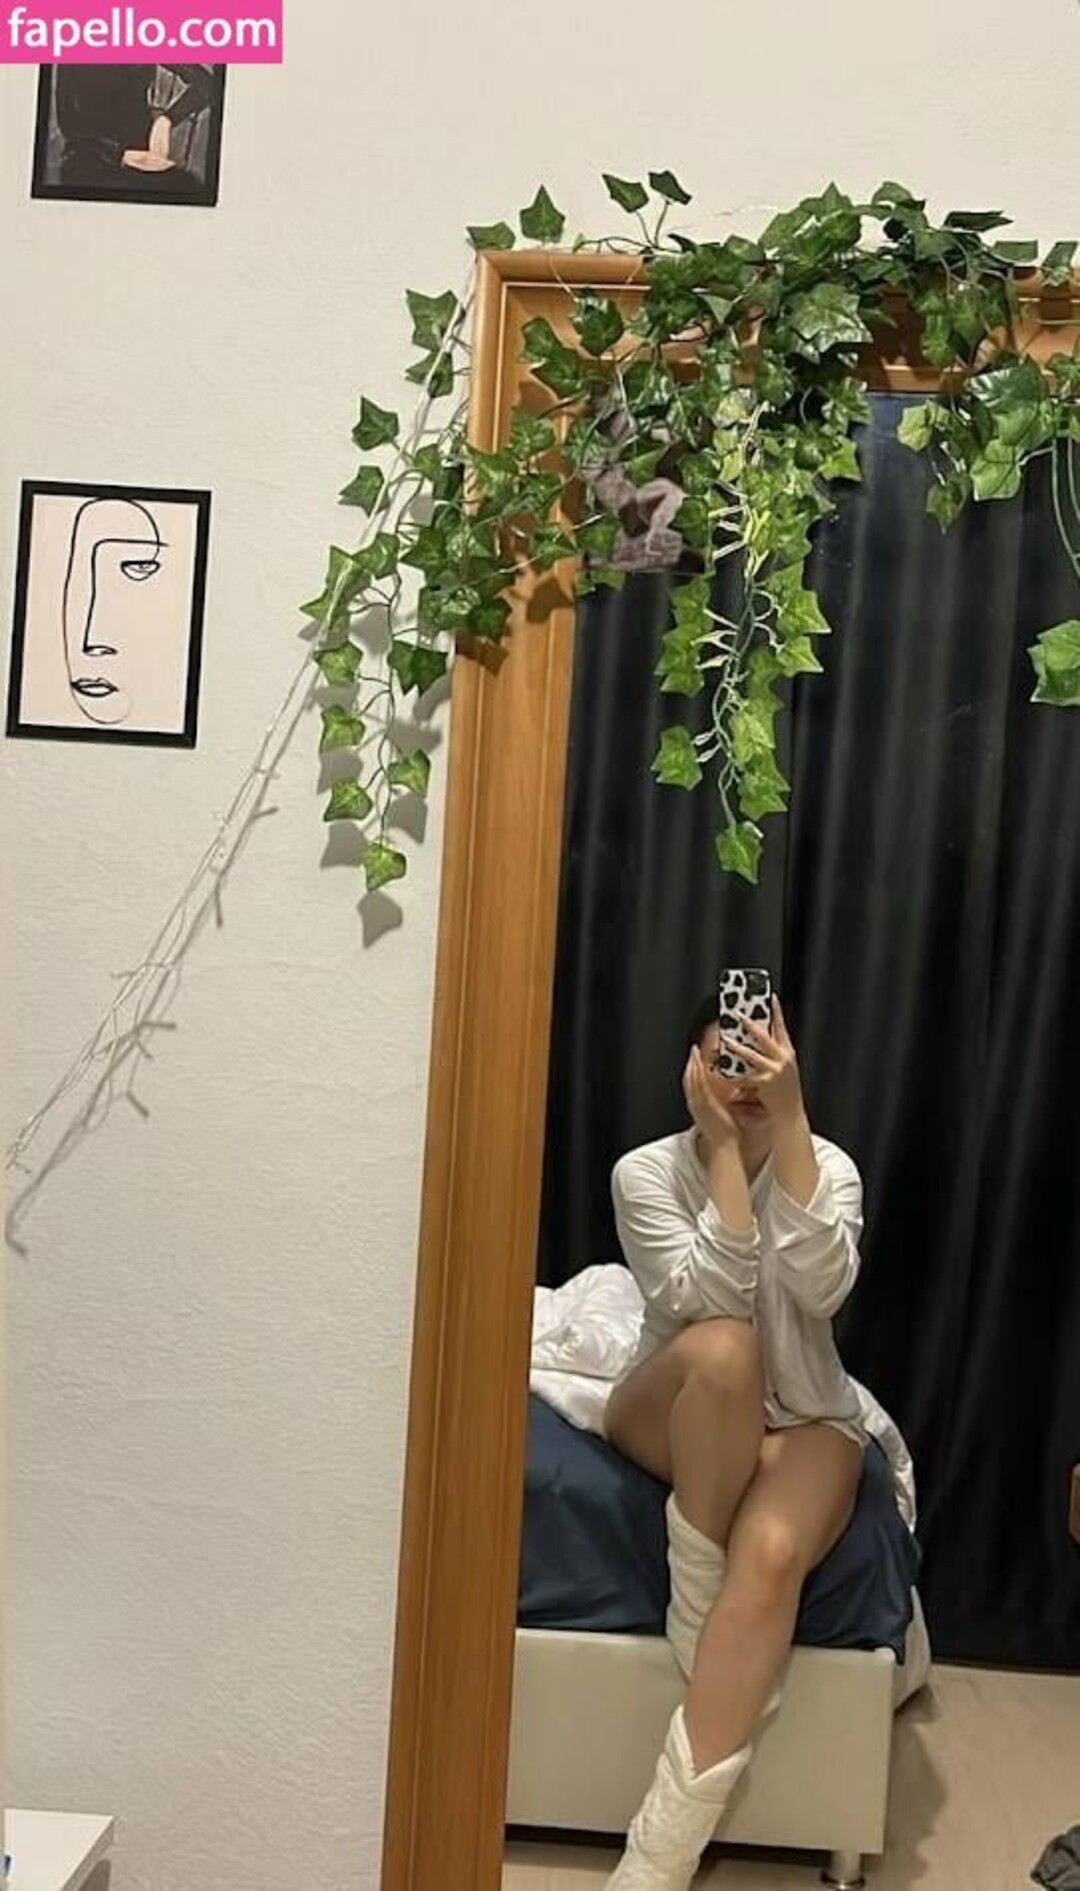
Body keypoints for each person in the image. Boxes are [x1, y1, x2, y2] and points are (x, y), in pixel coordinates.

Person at [601, 993, 868, 1891]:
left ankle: (657, 1859)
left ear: (787, 1062)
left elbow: (824, 1289)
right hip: (675, 1399)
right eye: (728, 1059)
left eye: (761, 1058)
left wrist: (788, 1128)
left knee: (776, 1549)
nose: (745, 1078)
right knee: (725, 1349)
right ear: (694, 1067)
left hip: (805, 1415)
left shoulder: (828, 1166)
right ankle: (697, 1582)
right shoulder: (644, 1171)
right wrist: (720, 1154)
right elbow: (709, 1304)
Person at [52, 64, 214, 194]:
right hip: (89, 158)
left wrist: (166, 120)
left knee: (189, 188)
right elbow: (69, 125)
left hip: (142, 156)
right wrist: (120, 155)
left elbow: (207, 85)